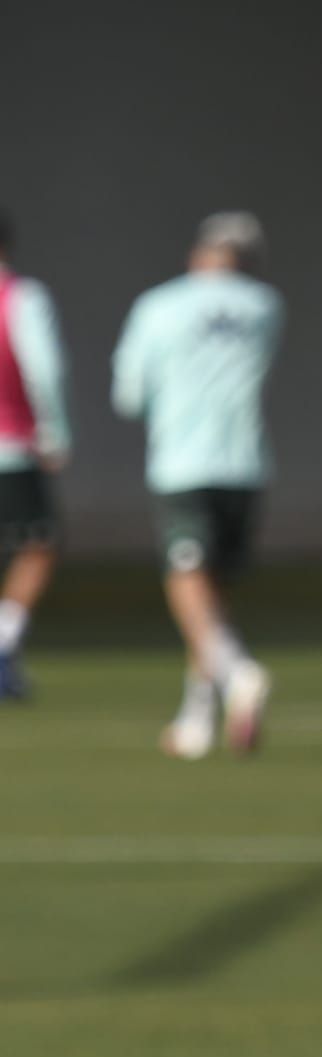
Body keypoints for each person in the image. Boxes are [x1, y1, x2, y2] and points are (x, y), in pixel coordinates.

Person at [112, 212, 283, 758]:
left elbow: (129, 395)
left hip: (182, 463)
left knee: (187, 580)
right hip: (245, 465)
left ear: (198, 253)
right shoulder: (266, 306)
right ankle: (198, 719)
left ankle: (236, 673)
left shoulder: (158, 306)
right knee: (212, 597)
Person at [0, 210, 73, 701]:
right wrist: (56, 431)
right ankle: (3, 644)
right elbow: (44, 368)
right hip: (11, 444)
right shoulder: (22, 297)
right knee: (39, 544)